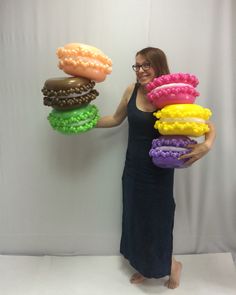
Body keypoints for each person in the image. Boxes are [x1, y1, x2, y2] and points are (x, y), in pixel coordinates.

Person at [96, 47, 216, 289]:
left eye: (146, 65)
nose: (140, 70)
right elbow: (115, 119)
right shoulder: (131, 90)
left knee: (158, 221)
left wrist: (207, 146)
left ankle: (172, 266)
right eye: (137, 65)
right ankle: (144, 265)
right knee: (136, 218)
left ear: (158, 65)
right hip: (133, 169)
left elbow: (204, 124)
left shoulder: (170, 95)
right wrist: (84, 121)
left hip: (159, 171)